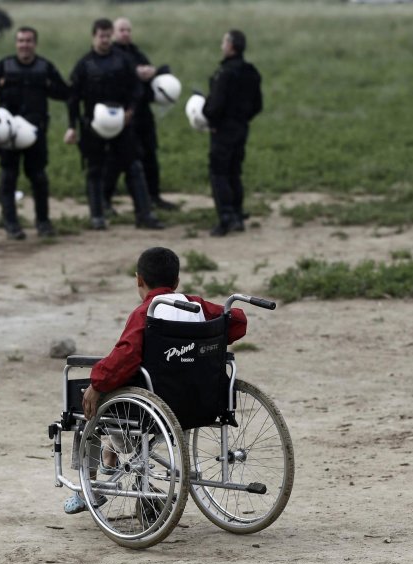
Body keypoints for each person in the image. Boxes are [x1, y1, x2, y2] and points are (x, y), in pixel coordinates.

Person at [64, 246, 248, 514]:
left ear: (139, 279)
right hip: (200, 401)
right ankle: (110, 453)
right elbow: (237, 321)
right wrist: (204, 339)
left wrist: (96, 384)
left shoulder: (146, 312)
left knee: (85, 400)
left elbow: (124, 357)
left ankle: (87, 487)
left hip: (152, 407)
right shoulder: (195, 305)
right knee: (119, 386)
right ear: (176, 282)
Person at [65, 18, 165, 232]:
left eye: (108, 36)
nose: (105, 40)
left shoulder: (123, 60)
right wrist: (72, 126)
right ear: (94, 37)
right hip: (93, 125)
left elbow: (137, 89)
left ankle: (144, 214)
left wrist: (131, 110)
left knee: (134, 166)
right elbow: (73, 98)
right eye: (101, 36)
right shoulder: (84, 65)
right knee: (94, 170)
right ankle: (97, 215)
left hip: (122, 122)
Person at [0, 26, 70, 239]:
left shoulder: (45, 67)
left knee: (39, 178)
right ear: (16, 43)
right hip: (8, 135)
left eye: (29, 41)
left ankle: (43, 222)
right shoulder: (3, 66)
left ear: (35, 43)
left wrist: (48, 86)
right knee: (8, 178)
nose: (25, 45)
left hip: (36, 133)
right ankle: (11, 224)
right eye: (21, 41)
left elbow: (64, 92)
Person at [102, 17, 178, 216]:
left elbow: (149, 82)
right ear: (114, 33)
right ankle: (104, 198)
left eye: (128, 30)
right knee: (118, 159)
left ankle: (154, 195)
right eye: (121, 30)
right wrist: (136, 74)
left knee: (150, 154)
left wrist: (153, 73)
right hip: (124, 115)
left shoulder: (137, 52)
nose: (125, 33)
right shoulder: (112, 55)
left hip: (144, 113)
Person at [203, 30, 262, 237]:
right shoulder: (251, 71)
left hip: (223, 130)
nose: (222, 46)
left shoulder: (225, 73)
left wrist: (209, 117)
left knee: (219, 173)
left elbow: (215, 105)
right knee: (234, 172)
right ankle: (237, 215)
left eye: (224, 42)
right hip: (241, 128)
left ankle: (225, 217)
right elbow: (258, 105)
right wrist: (242, 119)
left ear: (231, 46)